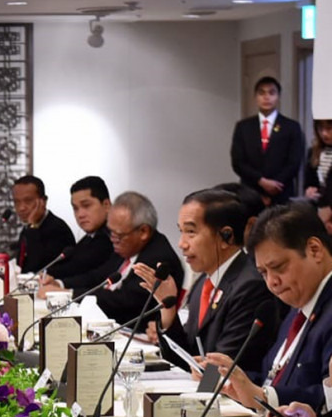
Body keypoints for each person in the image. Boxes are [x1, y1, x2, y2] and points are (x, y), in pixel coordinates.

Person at [133, 189, 277, 378]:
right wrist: (168, 307)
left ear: (226, 236)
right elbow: (184, 359)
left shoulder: (250, 287)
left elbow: (220, 372)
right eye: (181, 231)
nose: (181, 243)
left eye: (191, 232)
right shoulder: (204, 281)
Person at [213, 203, 332, 414]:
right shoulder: (297, 307)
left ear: (314, 250)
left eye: (278, 268)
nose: (272, 282)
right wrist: (229, 380)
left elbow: (326, 400)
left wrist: (264, 397)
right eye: (263, 273)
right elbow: (274, 376)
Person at [64, 191, 183, 325]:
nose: (113, 239)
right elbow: (98, 276)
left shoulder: (158, 258)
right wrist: (61, 285)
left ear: (143, 232)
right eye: (111, 232)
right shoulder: (127, 247)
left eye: (118, 235)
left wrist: (70, 295)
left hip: (138, 332)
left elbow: (123, 301)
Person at [230, 76, 305, 205]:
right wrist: (261, 181)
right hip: (250, 192)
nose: (266, 97)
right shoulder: (243, 126)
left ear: (278, 96)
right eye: (262, 93)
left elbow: (294, 161)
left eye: (271, 93)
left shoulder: (291, 127)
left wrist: (274, 185)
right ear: (255, 97)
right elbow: (238, 162)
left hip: (281, 192)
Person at [40, 176, 114, 291]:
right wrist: (45, 275)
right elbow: (70, 265)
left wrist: (59, 284)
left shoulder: (113, 238)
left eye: (86, 206)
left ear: (106, 205)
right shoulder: (90, 237)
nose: (80, 214)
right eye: (75, 208)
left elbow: (87, 273)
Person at [12, 175, 75, 274]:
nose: (21, 208)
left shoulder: (57, 229)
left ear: (43, 201)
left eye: (28, 201)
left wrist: (33, 226)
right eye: (16, 202)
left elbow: (35, 268)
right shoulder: (28, 227)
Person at [304, 119, 332, 201]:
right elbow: (309, 183)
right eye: (320, 128)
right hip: (318, 204)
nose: (324, 133)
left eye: (329, 128)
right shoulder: (313, 151)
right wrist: (309, 191)